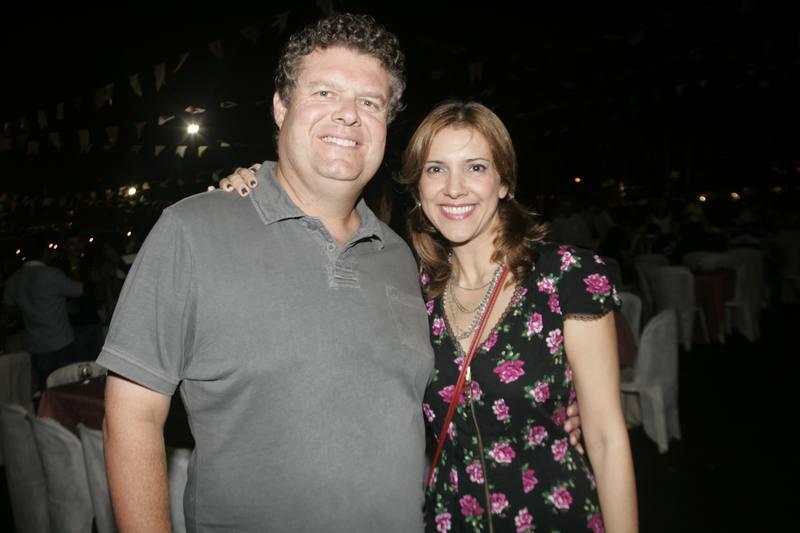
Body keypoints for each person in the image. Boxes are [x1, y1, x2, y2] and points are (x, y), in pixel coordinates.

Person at [222, 102, 637, 531]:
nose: (454, 189)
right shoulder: (409, 290)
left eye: (476, 167)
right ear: (418, 188)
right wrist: (261, 188)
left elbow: (607, 439)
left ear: (503, 183)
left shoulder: (565, 276)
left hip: (557, 516)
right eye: (436, 169)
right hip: (450, 519)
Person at [99, 14, 434, 532]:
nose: (348, 115)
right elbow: (131, 416)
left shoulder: (398, 255)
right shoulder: (193, 230)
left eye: (370, 103)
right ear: (281, 106)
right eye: (324, 92)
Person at [3, 235, 84, 388]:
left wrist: (30, 309)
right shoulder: (51, 274)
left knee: (48, 389)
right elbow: (79, 290)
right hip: (61, 341)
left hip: (37, 345)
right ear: (44, 253)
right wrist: (74, 268)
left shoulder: (14, 279)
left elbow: (8, 308)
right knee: (71, 387)